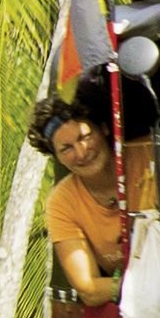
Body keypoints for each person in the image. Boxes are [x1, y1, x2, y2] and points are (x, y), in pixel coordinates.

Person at [35, 99, 133, 302]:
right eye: (66, 149)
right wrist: (143, 287)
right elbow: (88, 288)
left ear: (104, 128)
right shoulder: (62, 202)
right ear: (57, 157)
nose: (81, 153)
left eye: (85, 137)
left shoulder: (145, 158)